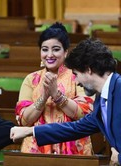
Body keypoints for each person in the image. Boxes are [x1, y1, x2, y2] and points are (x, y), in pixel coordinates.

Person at [10, 38, 120, 166]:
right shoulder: (101, 100)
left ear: (88, 69)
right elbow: (75, 128)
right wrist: (30, 131)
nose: (77, 82)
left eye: (76, 74)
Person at [15, 22, 94, 155]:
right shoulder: (31, 79)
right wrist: (44, 97)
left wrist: (56, 95)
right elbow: (23, 120)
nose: (49, 55)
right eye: (45, 49)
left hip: (74, 146)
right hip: (37, 148)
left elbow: (85, 113)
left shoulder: (77, 76)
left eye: (56, 49)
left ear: (66, 52)